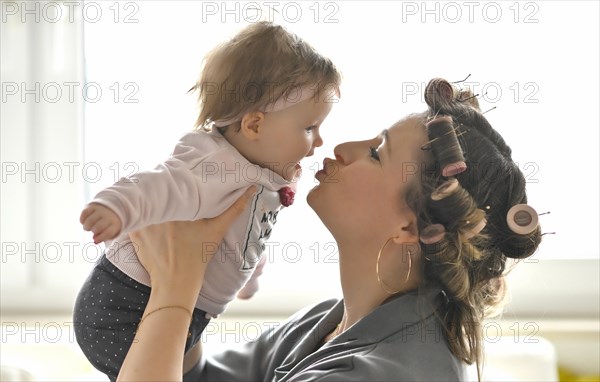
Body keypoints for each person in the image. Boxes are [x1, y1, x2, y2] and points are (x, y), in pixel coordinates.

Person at [117, 78, 543, 381]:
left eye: (377, 153)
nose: (342, 148)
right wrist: (194, 279)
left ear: (408, 226)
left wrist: (176, 288)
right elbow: (198, 376)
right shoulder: (328, 322)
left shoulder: (382, 373)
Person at [73, 21, 341, 381]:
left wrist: (247, 277)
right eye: (309, 128)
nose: (318, 141)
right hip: (124, 305)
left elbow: (245, 239)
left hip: (181, 310)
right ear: (255, 126)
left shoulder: (258, 174)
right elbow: (158, 185)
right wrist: (115, 207)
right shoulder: (214, 164)